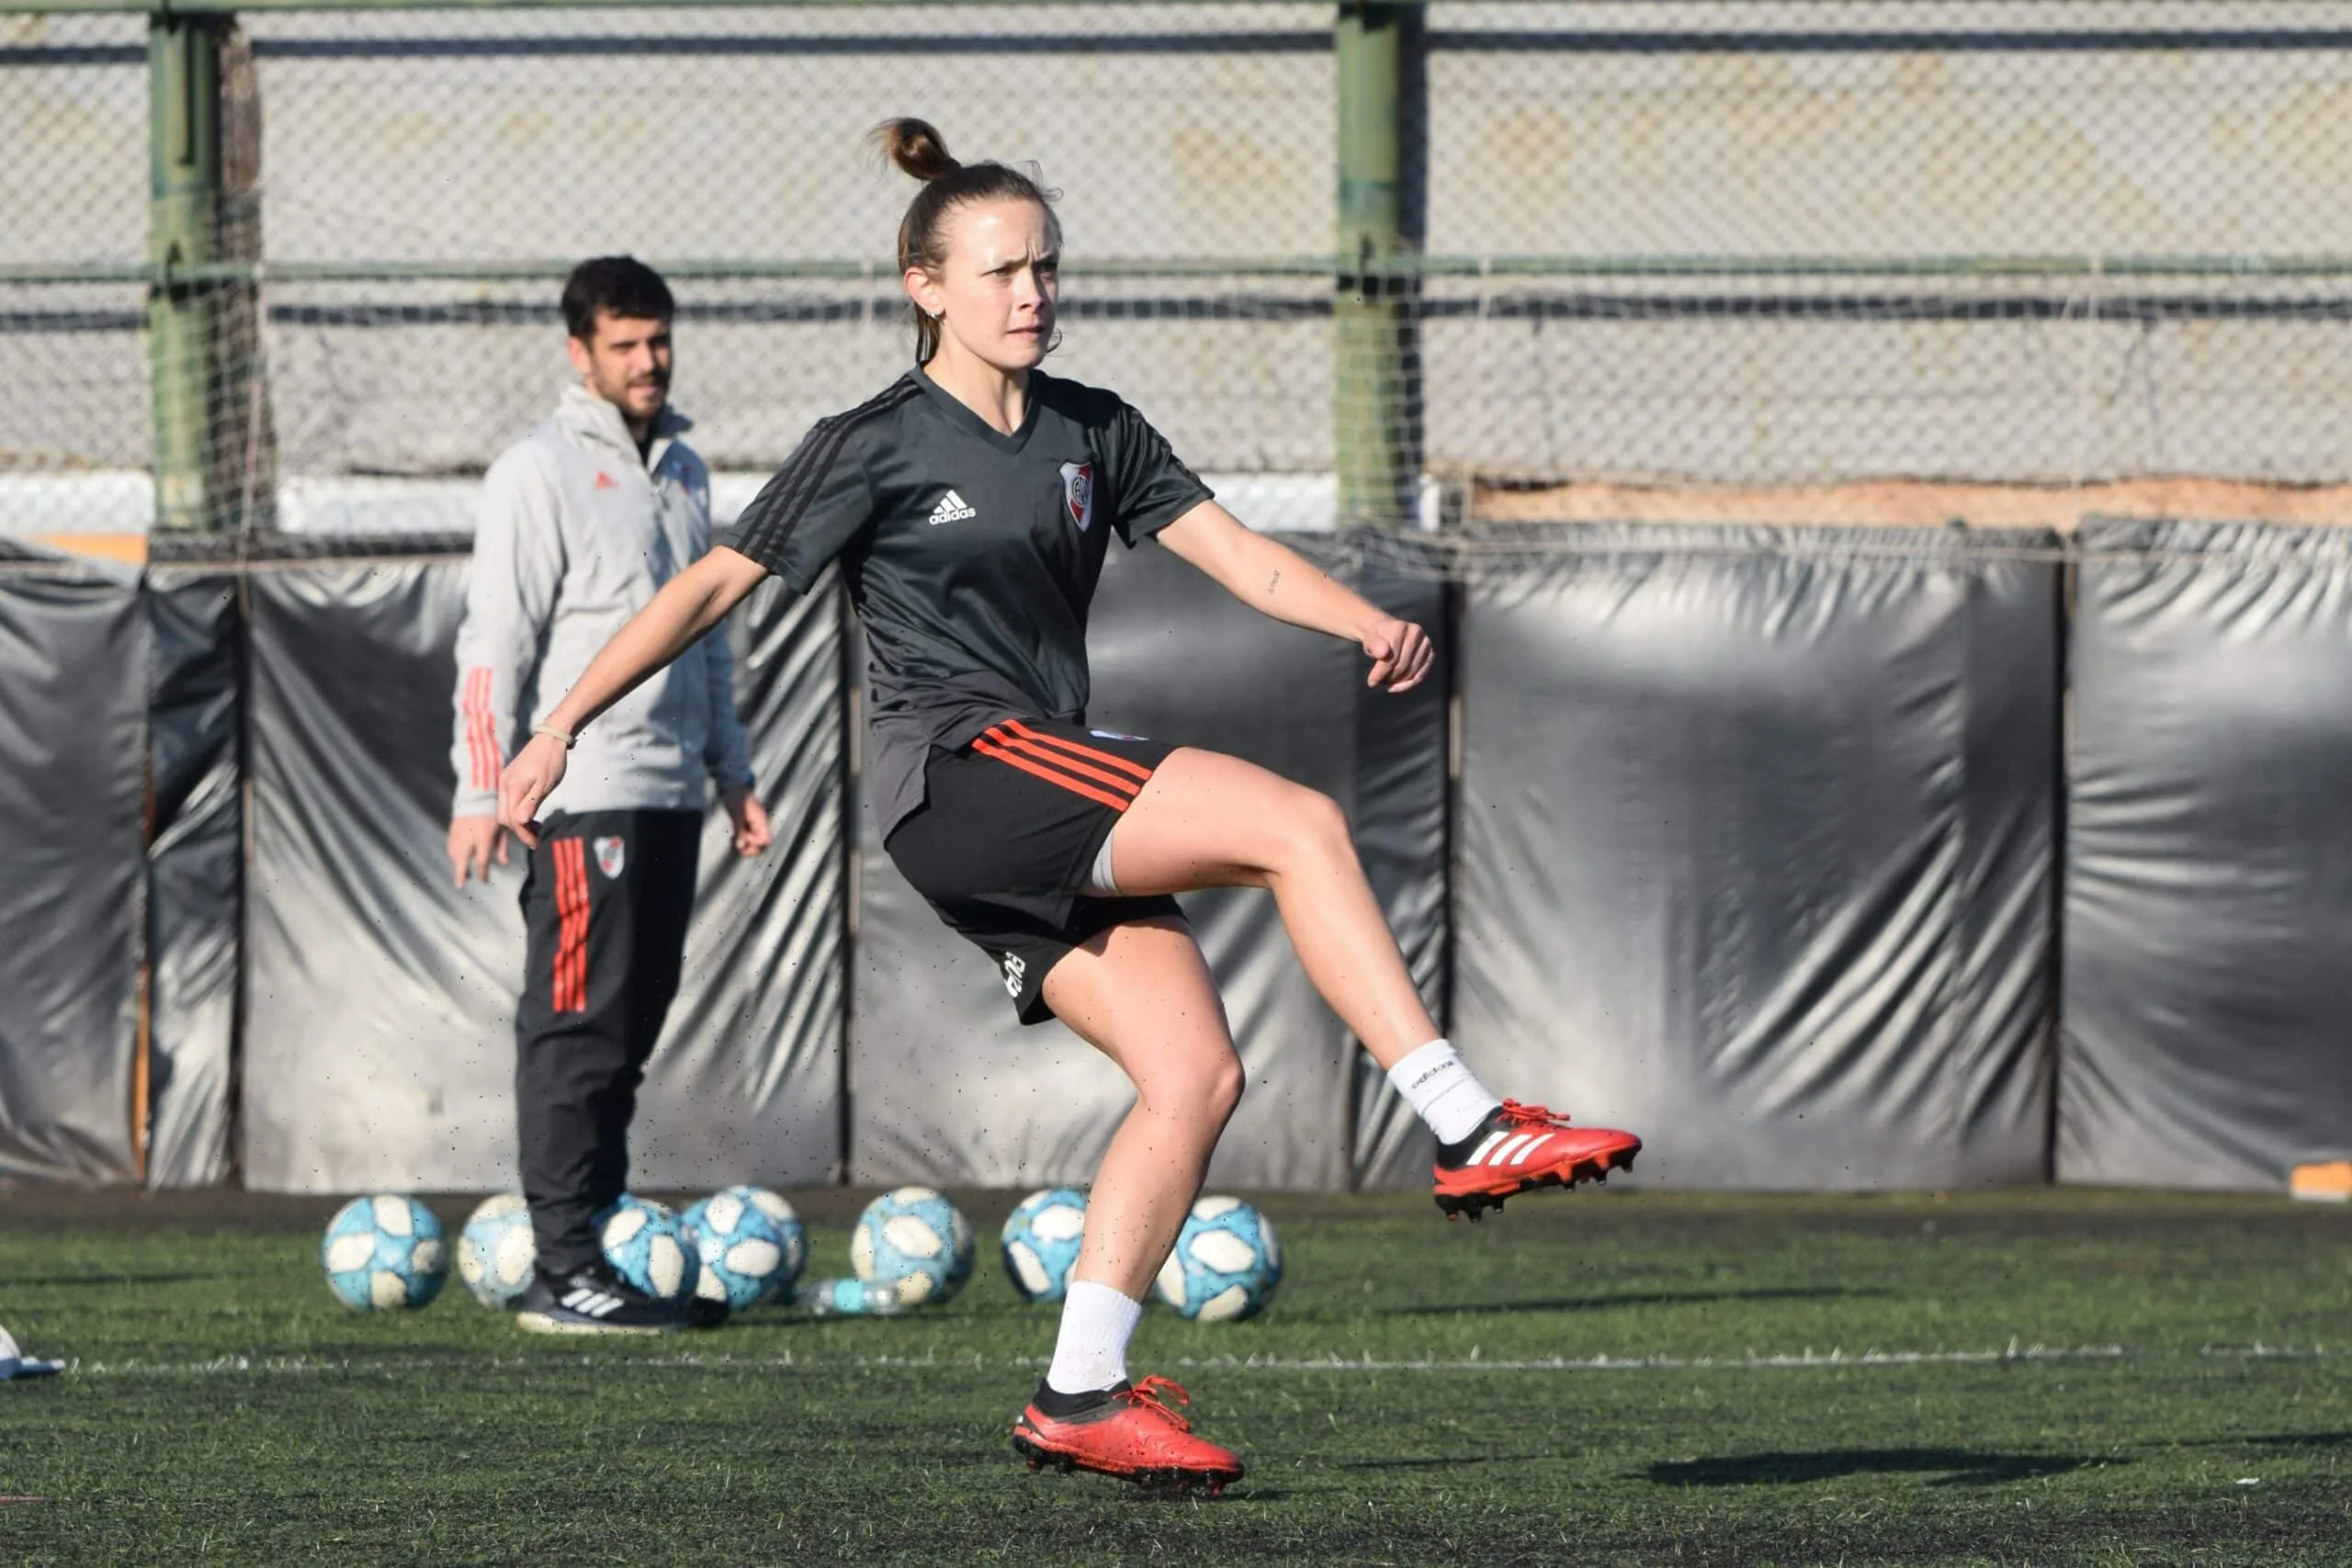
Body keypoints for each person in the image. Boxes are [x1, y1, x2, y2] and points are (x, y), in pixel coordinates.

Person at [497, 125, 1639, 1480]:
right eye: (1000, 271)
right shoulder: (868, 443)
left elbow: (1242, 558)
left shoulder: (1094, 427)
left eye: (1044, 266)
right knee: (1299, 825)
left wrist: (1364, 622)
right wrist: (558, 724)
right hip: (964, 772)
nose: (1030, 292)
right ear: (926, 287)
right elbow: (706, 589)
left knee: (1195, 1075)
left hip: (1029, 786)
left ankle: (1080, 1390)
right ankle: (1463, 1120)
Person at [449, 254, 774, 1336]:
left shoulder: (684, 469)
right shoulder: (535, 470)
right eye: (625, 344)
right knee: (576, 1026)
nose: (647, 361)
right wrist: (480, 788)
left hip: (671, 791)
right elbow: (494, 641)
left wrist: (732, 772)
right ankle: (563, 1269)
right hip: (579, 794)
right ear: (578, 352)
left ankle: (596, 1243)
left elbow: (706, 636)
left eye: (658, 340)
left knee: (628, 1031)